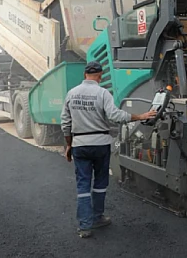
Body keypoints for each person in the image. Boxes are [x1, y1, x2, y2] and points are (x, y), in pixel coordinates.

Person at [61, 61, 157, 238]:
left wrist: (69, 144)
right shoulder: (103, 93)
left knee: (83, 184)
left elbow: (65, 123)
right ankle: (97, 218)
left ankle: (84, 226)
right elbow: (115, 116)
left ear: (85, 75)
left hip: (80, 144)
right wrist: (140, 116)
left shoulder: (71, 94)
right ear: (100, 76)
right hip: (100, 144)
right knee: (99, 183)